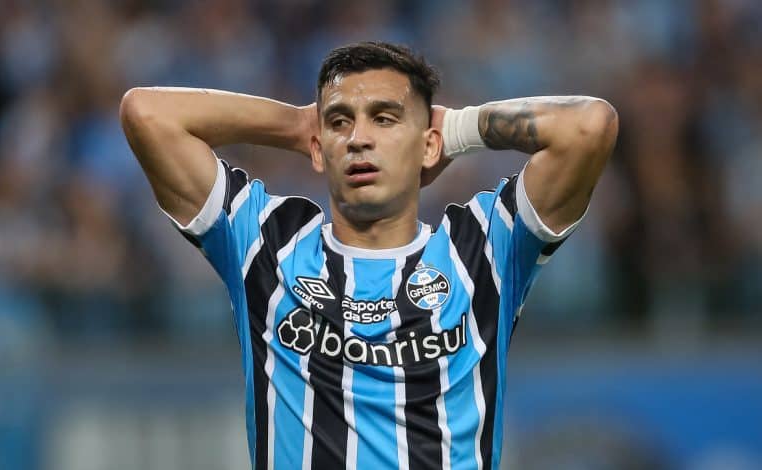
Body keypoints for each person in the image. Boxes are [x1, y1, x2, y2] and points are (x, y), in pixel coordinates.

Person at [120, 41, 617, 470]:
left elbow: (589, 126)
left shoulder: (483, 248)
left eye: (384, 118)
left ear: (429, 146)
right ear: (319, 148)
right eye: (340, 121)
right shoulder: (266, 245)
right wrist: (298, 124)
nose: (359, 138)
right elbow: (147, 114)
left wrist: (459, 129)